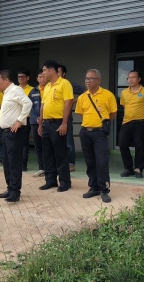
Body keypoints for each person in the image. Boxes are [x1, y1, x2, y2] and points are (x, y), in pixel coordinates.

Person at [76, 69, 116, 203]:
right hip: (85, 132)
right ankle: (93, 187)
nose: (88, 80)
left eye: (91, 78)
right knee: (90, 161)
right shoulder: (82, 97)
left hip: (99, 133)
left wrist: (100, 123)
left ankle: (104, 189)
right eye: (86, 78)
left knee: (102, 161)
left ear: (98, 80)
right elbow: (81, 114)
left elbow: (113, 114)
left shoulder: (108, 95)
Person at [0, 70, 33, 202]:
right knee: (7, 162)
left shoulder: (15, 90)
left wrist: (19, 121)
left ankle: (15, 192)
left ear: (6, 80)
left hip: (15, 132)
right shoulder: (7, 93)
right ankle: (10, 188)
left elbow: (28, 103)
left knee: (14, 162)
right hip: (6, 133)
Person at [38, 60, 74, 192]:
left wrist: (64, 123)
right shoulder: (47, 86)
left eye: (44, 70)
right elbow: (43, 105)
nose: (43, 73)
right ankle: (50, 180)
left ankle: (65, 182)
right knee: (47, 154)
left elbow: (69, 103)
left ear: (52, 70)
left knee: (60, 154)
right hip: (46, 124)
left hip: (58, 123)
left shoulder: (64, 84)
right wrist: (41, 123)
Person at [119, 70, 144, 178]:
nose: (130, 79)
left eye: (133, 77)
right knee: (122, 144)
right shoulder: (124, 92)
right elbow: (124, 106)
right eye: (129, 78)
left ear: (139, 79)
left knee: (139, 146)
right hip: (126, 122)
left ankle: (138, 168)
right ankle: (128, 168)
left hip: (140, 123)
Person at [57, 64, 85, 172]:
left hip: (66, 116)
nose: (56, 74)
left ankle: (70, 163)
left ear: (63, 74)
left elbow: (84, 92)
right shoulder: (51, 85)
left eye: (58, 72)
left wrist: (72, 101)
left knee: (68, 141)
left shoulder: (69, 84)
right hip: (54, 117)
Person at [28, 69, 47, 177]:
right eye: (40, 77)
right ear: (37, 79)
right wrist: (37, 119)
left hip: (48, 121)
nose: (42, 79)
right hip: (35, 122)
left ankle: (50, 168)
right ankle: (41, 168)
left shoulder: (50, 89)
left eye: (44, 76)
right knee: (38, 146)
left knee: (48, 145)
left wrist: (44, 118)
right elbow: (29, 107)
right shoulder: (33, 91)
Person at [17, 68, 34, 172]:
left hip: (29, 118)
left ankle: (24, 164)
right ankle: (19, 164)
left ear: (28, 78)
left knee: (26, 142)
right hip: (18, 119)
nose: (20, 79)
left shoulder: (32, 90)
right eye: (19, 77)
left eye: (23, 77)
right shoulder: (14, 89)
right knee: (19, 142)